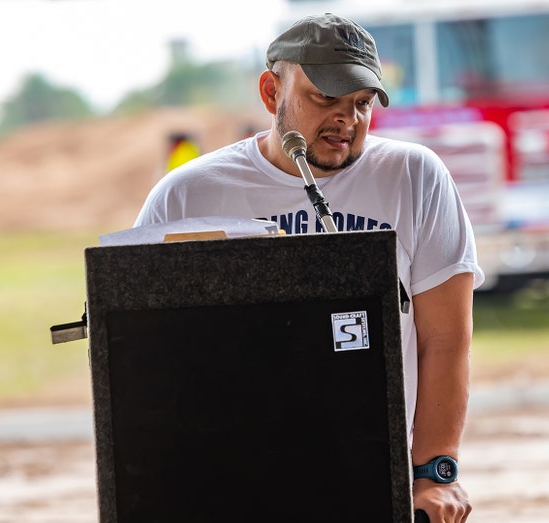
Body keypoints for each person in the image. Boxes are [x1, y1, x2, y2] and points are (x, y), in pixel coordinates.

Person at [134, 13, 482, 523]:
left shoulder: (415, 177)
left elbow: (446, 339)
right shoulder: (187, 195)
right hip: (227, 474)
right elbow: (145, 352)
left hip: (371, 472)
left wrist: (434, 473)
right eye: (325, 99)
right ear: (271, 92)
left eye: (361, 104)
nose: (348, 119)